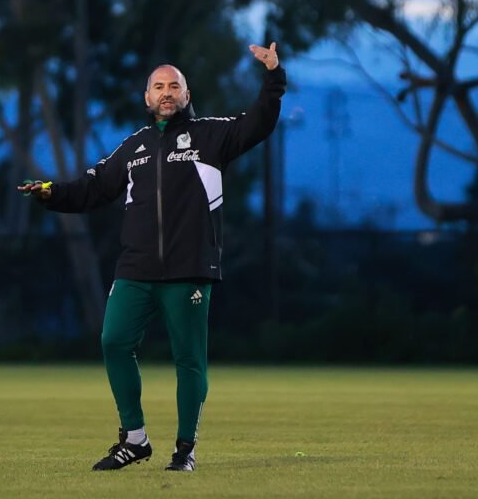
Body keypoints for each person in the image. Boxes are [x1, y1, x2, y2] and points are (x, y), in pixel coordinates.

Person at [18, 42, 286, 472]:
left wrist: (273, 76)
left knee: (188, 360)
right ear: (146, 98)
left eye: (173, 86)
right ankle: (135, 439)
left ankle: (185, 449)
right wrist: (51, 193)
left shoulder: (212, 136)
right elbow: (92, 188)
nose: (166, 92)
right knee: (113, 341)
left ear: (186, 94)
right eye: (158, 86)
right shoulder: (134, 147)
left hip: (189, 268)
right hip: (136, 269)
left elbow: (259, 122)